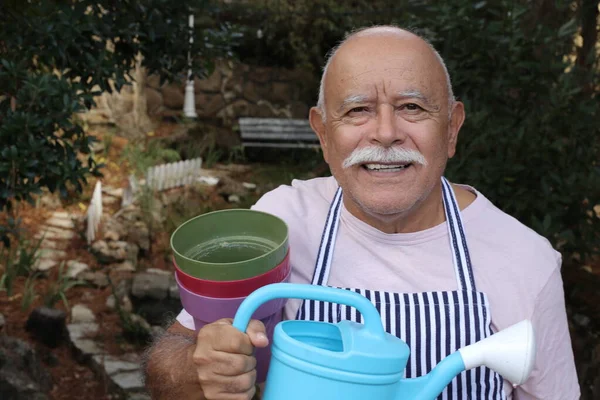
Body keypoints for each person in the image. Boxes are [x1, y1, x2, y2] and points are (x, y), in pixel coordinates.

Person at [143, 25, 580, 399]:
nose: (386, 133)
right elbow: (169, 366)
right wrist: (201, 367)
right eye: (358, 110)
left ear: (451, 129)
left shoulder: (525, 259)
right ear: (323, 134)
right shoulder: (280, 224)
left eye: (412, 107)